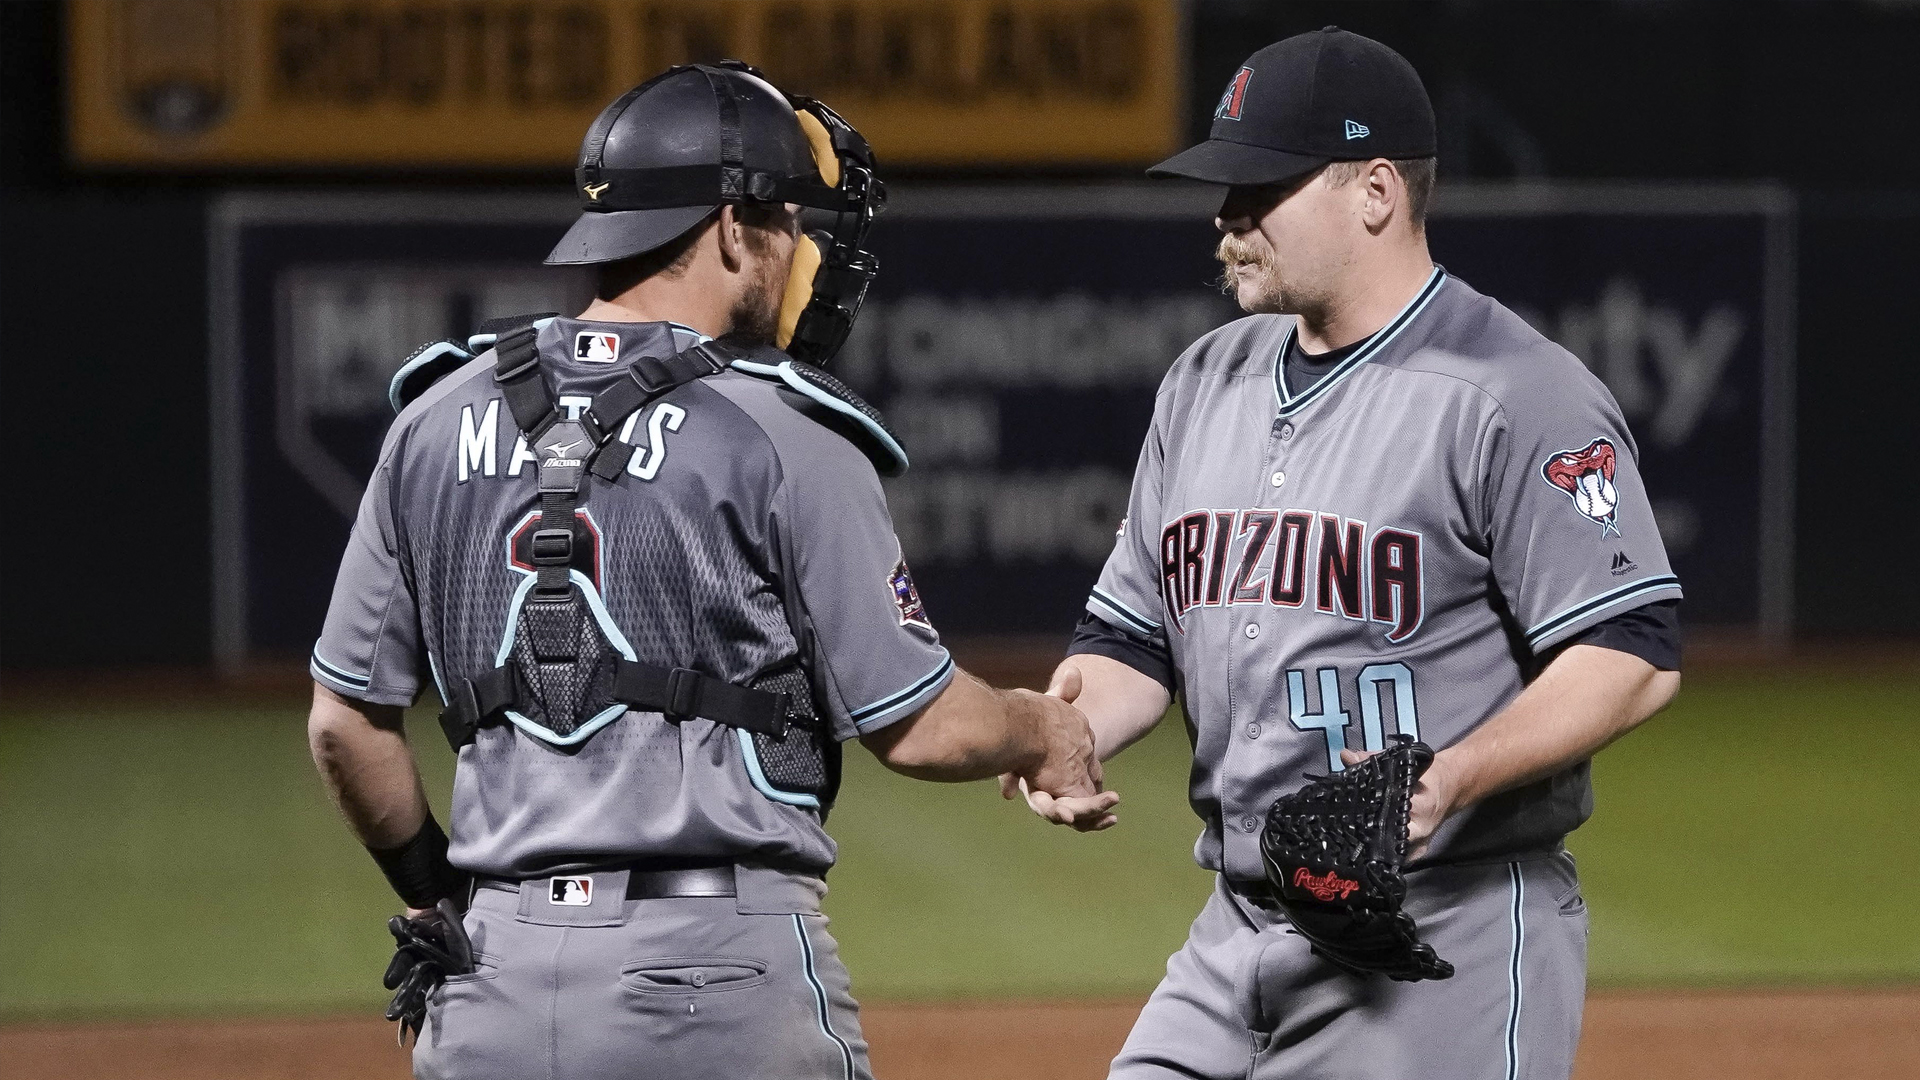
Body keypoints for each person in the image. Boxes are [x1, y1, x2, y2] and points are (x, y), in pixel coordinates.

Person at [305, 61, 1099, 1080]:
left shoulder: (433, 418)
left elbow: (344, 724)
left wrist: (437, 897)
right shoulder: (781, 430)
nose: (805, 248)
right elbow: (924, 726)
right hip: (712, 978)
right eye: (791, 222)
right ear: (733, 226)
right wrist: (1045, 729)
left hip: (487, 984)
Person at [1009, 27, 1683, 1080]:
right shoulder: (1204, 380)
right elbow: (1132, 636)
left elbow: (1632, 651)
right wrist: (1069, 726)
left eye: (1258, 187)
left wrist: (1452, 776)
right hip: (1235, 932)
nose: (1226, 217)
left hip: (1440, 941)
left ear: (1375, 191)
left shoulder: (1511, 390)